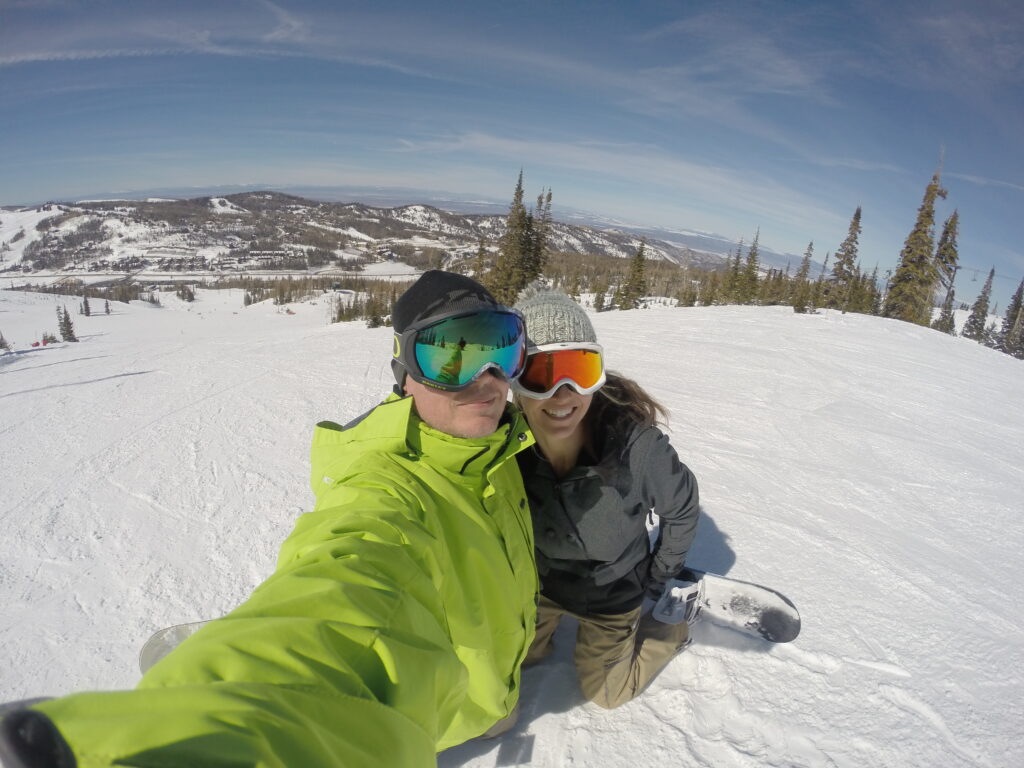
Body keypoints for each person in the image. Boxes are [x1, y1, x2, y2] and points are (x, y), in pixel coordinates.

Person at [0, 271, 539, 768]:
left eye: (503, 352)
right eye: (452, 357)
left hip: (501, 698)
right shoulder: (385, 488)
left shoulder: (505, 446)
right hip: (434, 724)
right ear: (405, 375)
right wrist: (229, 727)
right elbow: (351, 585)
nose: (489, 380)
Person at [512, 287, 700, 709]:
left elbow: (682, 507)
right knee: (517, 662)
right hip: (541, 584)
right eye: (540, 374)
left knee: (608, 695)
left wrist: (658, 575)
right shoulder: (504, 444)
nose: (562, 394)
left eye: (579, 370)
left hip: (614, 590)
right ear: (513, 381)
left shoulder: (636, 448)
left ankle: (673, 629)